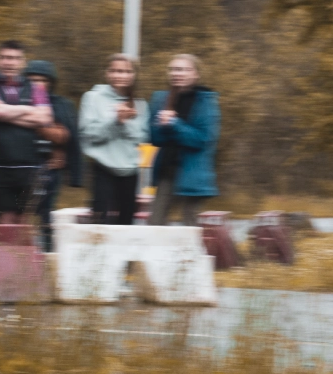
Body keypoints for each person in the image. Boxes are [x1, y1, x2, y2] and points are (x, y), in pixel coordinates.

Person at [0, 40, 53, 225]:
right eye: (5, 57)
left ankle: (22, 256)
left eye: (15, 58)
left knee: (24, 223)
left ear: (23, 62)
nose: (10, 62)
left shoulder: (36, 89)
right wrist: (27, 109)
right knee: (5, 223)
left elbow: (45, 118)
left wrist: (5, 112)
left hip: (28, 168)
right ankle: (2, 256)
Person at [148, 54, 220, 226]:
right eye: (173, 69)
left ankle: (189, 254)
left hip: (193, 173)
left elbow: (202, 139)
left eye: (183, 69)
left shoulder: (206, 101)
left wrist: (174, 124)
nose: (176, 73)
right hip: (166, 170)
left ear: (196, 74)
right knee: (155, 224)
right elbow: (154, 138)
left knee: (190, 228)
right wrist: (162, 125)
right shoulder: (160, 99)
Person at [79, 54, 149, 225]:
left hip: (130, 170)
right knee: (100, 219)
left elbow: (142, 138)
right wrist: (115, 121)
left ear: (133, 75)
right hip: (103, 167)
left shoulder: (140, 104)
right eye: (116, 71)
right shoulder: (92, 98)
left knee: (125, 222)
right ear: (107, 73)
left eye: (126, 72)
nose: (121, 75)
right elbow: (90, 134)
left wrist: (124, 123)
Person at [24, 60, 81, 251]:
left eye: (42, 80)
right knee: (23, 213)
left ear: (51, 82)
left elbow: (70, 136)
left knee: (47, 216)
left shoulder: (62, 104)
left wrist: (74, 173)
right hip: (23, 164)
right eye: (32, 80)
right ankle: (22, 255)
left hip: (51, 167)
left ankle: (48, 254)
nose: (37, 84)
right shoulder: (18, 101)